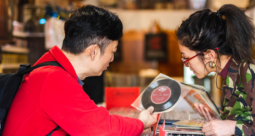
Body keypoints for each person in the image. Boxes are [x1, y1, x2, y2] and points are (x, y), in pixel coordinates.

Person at [3, 5, 157, 136]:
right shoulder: (54, 79)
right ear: (93, 51)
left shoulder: (49, 69)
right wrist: (141, 122)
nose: (112, 58)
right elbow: (102, 130)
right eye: (113, 50)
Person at [176, 4, 255, 136]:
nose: (185, 64)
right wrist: (218, 121)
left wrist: (233, 127)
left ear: (209, 55)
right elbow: (249, 122)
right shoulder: (229, 76)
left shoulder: (251, 74)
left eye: (186, 58)